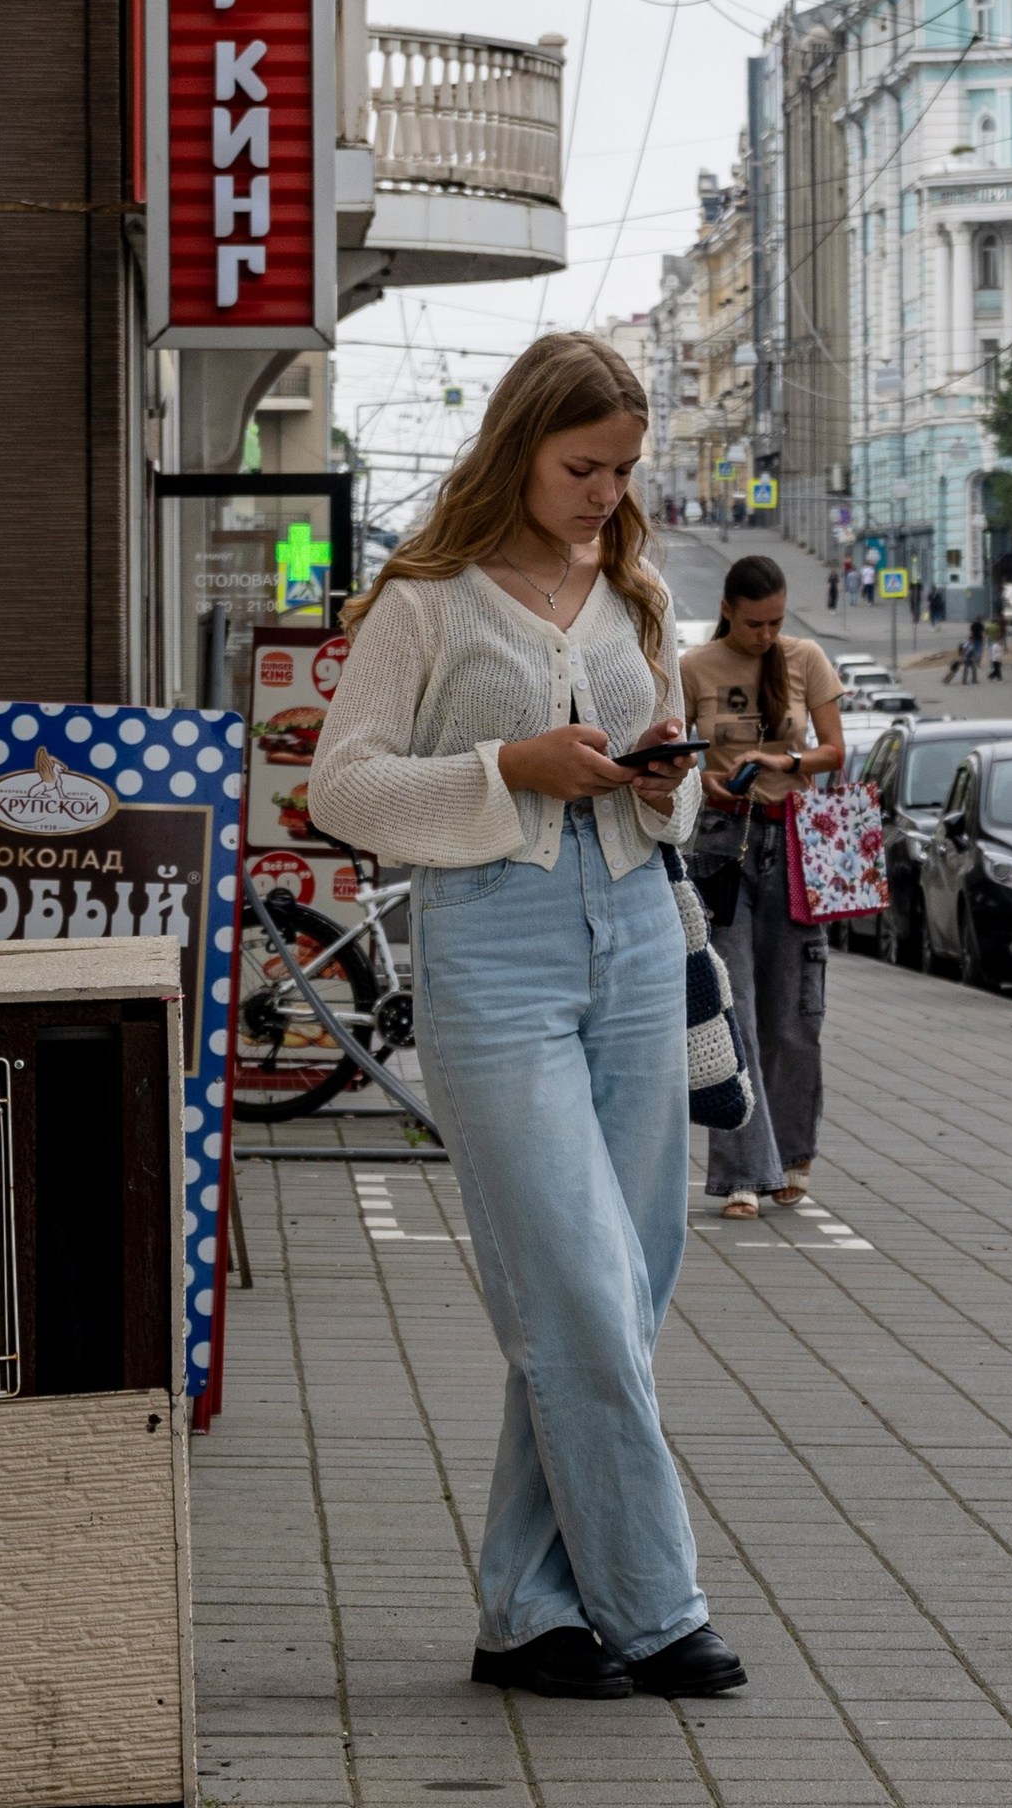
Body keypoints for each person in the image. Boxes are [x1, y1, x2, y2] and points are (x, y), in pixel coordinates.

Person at [309, 332, 745, 1706]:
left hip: (629, 934)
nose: (606, 491)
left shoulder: (635, 594)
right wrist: (510, 759)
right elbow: (342, 790)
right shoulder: (429, 604)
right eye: (582, 466)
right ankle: (655, 1606)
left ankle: (525, 1612)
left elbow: (657, 780)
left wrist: (665, 776)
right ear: (518, 448)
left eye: (623, 468)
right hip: (491, 949)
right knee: (577, 1284)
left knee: (625, 1280)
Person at [678, 556, 845, 1220]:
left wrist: (783, 760)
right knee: (734, 1008)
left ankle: (794, 1158)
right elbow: (675, 748)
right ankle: (744, 1173)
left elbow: (835, 751)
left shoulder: (805, 658)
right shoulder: (695, 667)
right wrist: (704, 780)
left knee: (796, 1016)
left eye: (775, 621)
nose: (766, 635)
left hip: (796, 844)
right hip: (723, 844)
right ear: (728, 609)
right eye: (754, 623)